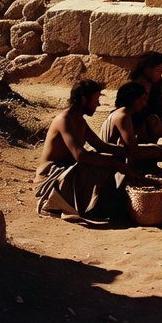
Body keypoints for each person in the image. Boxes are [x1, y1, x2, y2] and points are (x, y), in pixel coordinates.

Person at [34, 79, 135, 225]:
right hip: (51, 175)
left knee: (109, 162)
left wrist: (129, 152)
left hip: (69, 171)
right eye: (96, 99)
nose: (98, 104)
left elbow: (101, 146)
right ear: (83, 99)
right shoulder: (64, 119)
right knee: (97, 169)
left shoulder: (79, 121)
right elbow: (80, 155)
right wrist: (116, 165)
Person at [99, 81, 162, 168]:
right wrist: (159, 150)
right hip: (110, 166)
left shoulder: (122, 114)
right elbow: (133, 151)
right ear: (132, 98)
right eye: (142, 99)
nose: (144, 103)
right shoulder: (122, 115)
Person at [129, 51, 162, 147]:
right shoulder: (134, 87)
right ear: (147, 69)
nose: (159, 75)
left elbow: (159, 110)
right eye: (157, 71)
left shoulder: (156, 85)